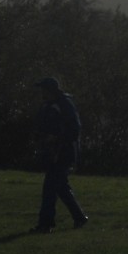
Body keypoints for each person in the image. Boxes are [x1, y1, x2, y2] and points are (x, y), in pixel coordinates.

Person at [31, 77, 88, 233]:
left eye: (44, 89)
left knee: (49, 188)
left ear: (51, 90)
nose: (42, 93)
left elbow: (75, 130)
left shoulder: (64, 105)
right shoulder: (48, 105)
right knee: (61, 187)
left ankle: (45, 224)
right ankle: (80, 218)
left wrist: (56, 138)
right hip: (52, 153)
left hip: (63, 153)